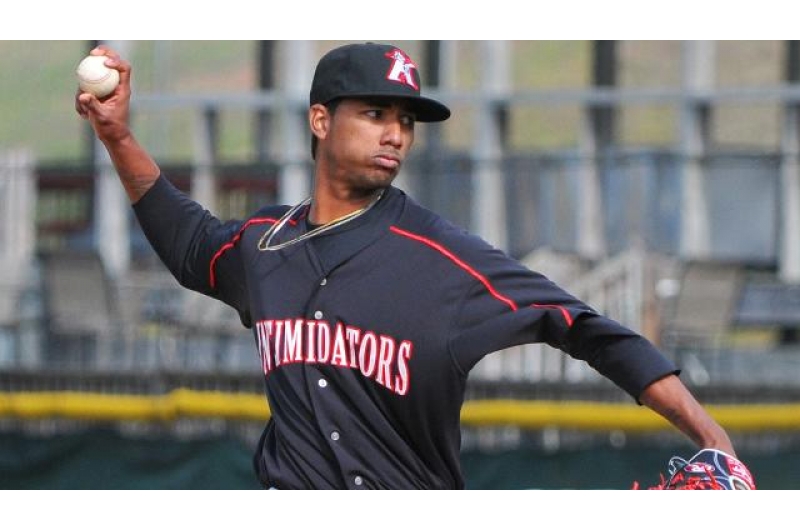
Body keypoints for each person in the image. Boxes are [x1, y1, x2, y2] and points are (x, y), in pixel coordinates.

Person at [76, 42, 744, 490]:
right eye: (374, 114)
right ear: (320, 120)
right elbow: (188, 243)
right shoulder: (265, 245)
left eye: (405, 119)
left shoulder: (447, 259)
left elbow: (586, 327)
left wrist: (718, 446)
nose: (395, 133)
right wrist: (117, 136)